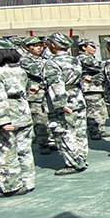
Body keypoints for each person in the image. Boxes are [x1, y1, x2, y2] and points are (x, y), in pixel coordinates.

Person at [43, 33, 88, 175]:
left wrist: (60, 103)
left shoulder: (52, 63)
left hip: (65, 99)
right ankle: (81, 158)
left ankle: (73, 163)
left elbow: (56, 83)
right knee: (79, 131)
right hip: (77, 97)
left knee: (63, 131)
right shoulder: (75, 60)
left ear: (54, 45)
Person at [0, 39, 35, 196]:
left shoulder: (0, 73)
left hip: (9, 114)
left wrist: (3, 120)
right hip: (23, 113)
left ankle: (12, 185)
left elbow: (0, 98)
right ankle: (28, 181)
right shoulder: (20, 71)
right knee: (25, 150)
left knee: (7, 150)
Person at [19, 36, 55, 154]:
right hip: (36, 96)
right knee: (40, 121)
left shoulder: (44, 58)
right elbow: (39, 71)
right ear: (28, 48)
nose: (39, 48)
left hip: (47, 93)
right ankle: (43, 144)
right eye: (35, 46)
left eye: (40, 45)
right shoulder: (25, 60)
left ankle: (51, 141)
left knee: (50, 119)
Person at [76, 39, 110, 140]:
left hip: (98, 87)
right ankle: (94, 132)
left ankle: (100, 129)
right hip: (90, 88)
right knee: (93, 111)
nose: (95, 48)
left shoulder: (91, 57)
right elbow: (98, 66)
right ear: (84, 47)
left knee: (101, 110)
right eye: (92, 46)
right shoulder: (83, 58)